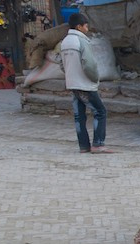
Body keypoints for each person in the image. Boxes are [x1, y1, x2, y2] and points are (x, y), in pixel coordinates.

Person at [60, 13, 112, 154]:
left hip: (72, 83)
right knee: (100, 111)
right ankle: (98, 144)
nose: (87, 29)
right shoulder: (81, 41)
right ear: (79, 26)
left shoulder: (64, 42)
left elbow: (61, 64)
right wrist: (95, 78)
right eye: (86, 26)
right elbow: (89, 64)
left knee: (79, 116)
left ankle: (84, 146)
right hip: (84, 84)